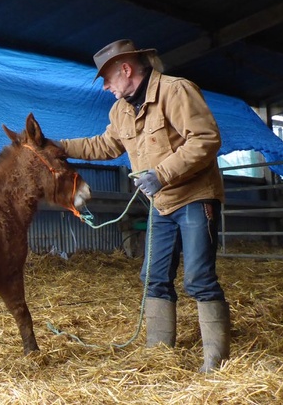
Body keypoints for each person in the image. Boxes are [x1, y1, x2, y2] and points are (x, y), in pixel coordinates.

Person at [59, 39, 230, 373]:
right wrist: (59, 146)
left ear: (126, 69)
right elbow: (104, 145)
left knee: (198, 278)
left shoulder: (175, 91)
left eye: (107, 78)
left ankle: (216, 361)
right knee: (153, 277)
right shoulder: (120, 110)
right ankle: (159, 351)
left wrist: (161, 174)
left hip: (194, 197)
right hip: (161, 203)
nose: (106, 86)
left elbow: (206, 139)